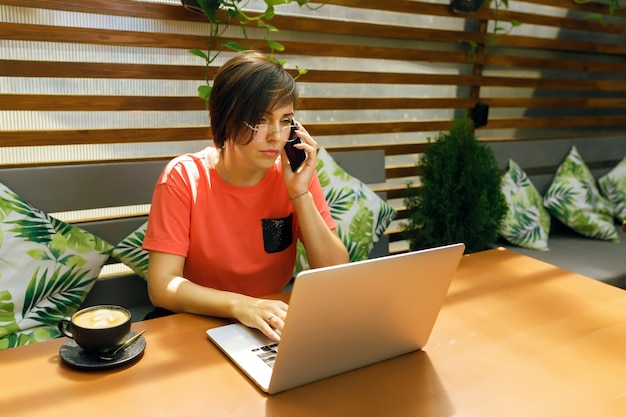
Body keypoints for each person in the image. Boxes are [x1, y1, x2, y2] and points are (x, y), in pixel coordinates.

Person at [143, 51, 349, 342]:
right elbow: (162, 285)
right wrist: (241, 305)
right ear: (224, 119)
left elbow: (336, 273)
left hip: (270, 326)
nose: (276, 136)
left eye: (285, 119)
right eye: (260, 120)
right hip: (197, 326)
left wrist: (300, 193)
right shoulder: (183, 178)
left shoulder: (294, 175)